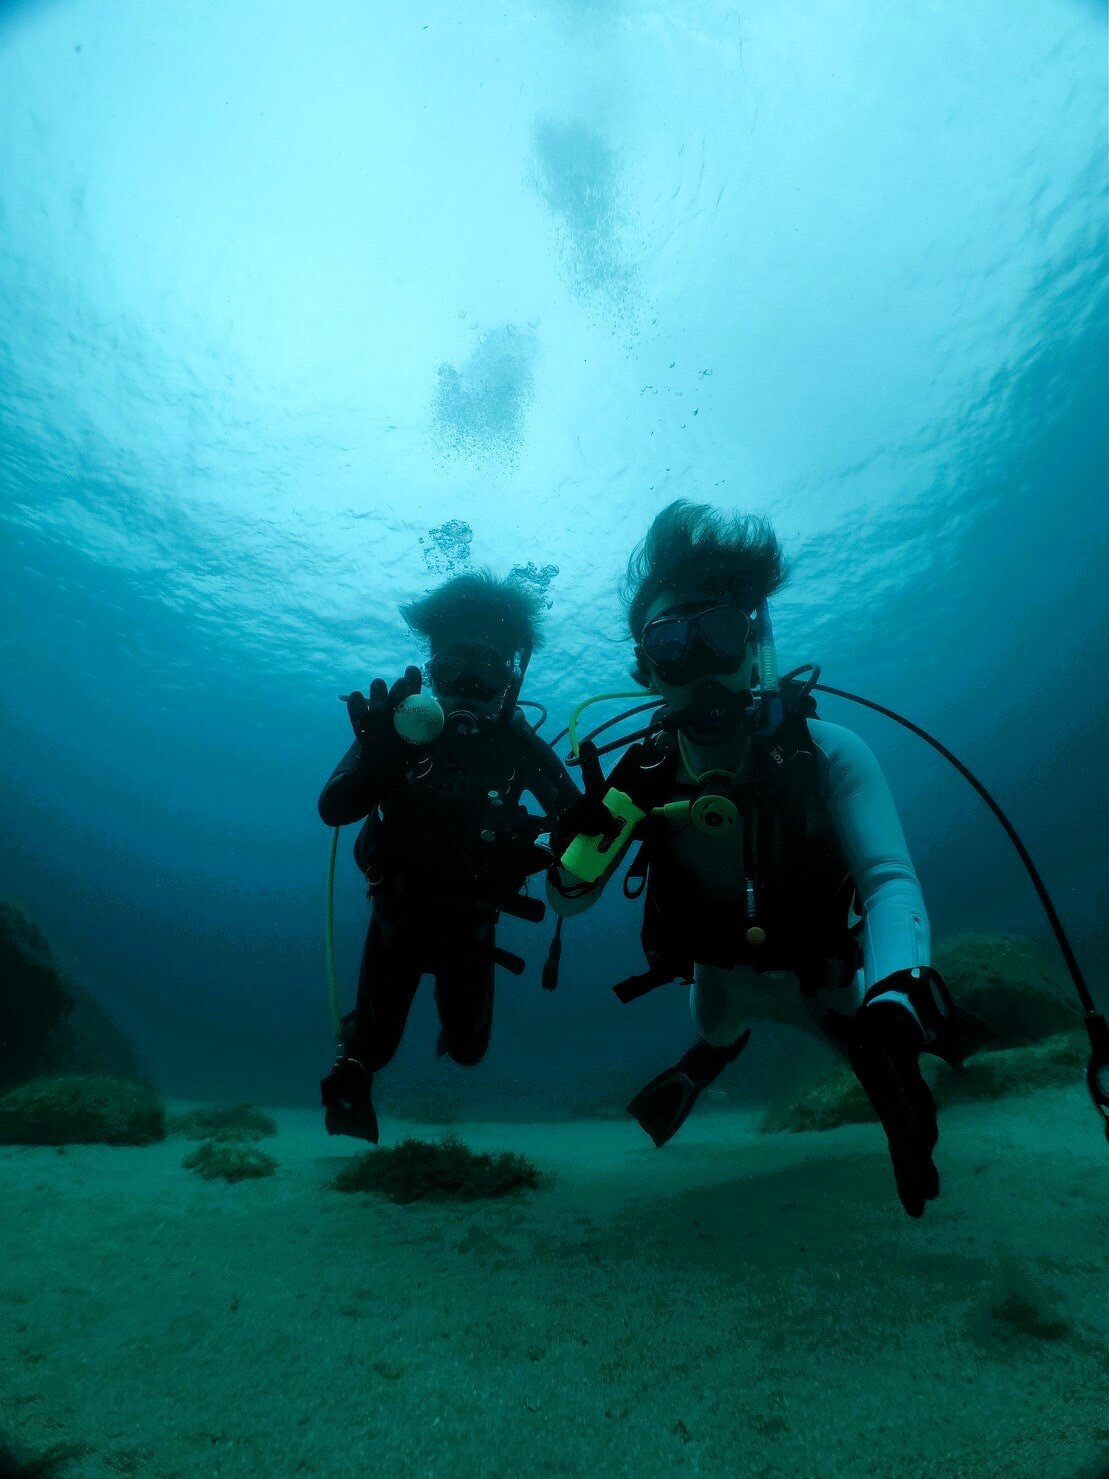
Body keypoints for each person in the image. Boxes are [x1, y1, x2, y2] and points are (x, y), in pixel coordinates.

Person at [548, 501, 966, 1218]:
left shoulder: (826, 753)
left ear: (754, 647)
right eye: (671, 644)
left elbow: (887, 880)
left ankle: (911, 1037)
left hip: (824, 980)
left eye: (718, 632)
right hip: (720, 986)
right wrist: (569, 847)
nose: (700, 665)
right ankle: (703, 1063)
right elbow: (569, 897)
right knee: (718, 1026)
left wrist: (895, 1001)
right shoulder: (638, 777)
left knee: (883, 1055)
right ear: (647, 672)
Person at [319, 571, 579, 1142]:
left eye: (488, 671)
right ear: (430, 670)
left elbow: (578, 824)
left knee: (468, 1050)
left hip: (473, 926)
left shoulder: (516, 743)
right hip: (396, 918)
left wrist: (547, 842)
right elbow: (334, 809)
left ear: (511, 679)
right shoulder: (397, 730)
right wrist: (377, 761)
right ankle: (354, 1067)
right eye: (453, 666)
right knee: (372, 1052)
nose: (468, 684)